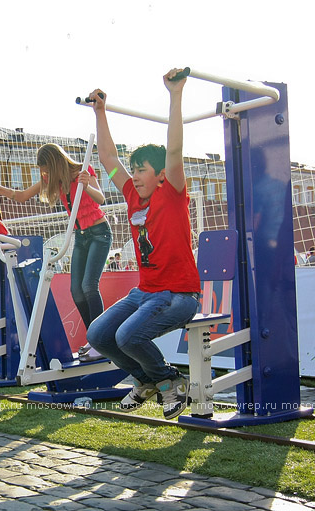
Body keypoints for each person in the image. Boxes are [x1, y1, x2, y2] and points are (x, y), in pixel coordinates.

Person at [85, 68, 200, 420]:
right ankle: (144, 380)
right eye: (132, 169)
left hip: (179, 295)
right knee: (99, 334)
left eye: (141, 169)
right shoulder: (134, 196)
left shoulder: (172, 192)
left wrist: (175, 93)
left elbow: (176, 149)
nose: (134, 175)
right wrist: (100, 112)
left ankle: (170, 382)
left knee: (127, 336)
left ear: (161, 173)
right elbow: (107, 158)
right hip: (146, 292)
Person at [0, 142, 111, 362]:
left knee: (89, 286)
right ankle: (94, 338)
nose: (43, 173)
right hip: (80, 237)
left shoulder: (81, 171)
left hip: (99, 232)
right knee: (76, 291)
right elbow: (22, 195)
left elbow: (101, 198)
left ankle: (101, 341)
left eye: (45, 168)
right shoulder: (50, 180)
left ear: (54, 163)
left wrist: (86, 185)